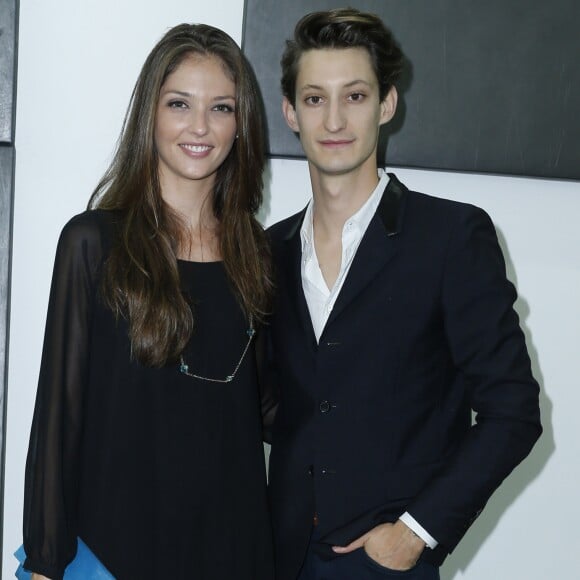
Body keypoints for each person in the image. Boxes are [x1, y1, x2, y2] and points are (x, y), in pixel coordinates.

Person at [265, 8, 542, 580]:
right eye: (315, 98)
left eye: (356, 96)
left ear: (387, 104)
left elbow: (512, 410)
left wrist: (415, 534)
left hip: (386, 565)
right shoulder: (266, 250)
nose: (335, 118)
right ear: (291, 112)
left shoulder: (450, 237)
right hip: (276, 556)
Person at [22, 23, 274, 580]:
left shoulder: (258, 252)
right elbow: (58, 419)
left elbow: (269, 407)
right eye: (180, 103)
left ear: (242, 124)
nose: (200, 127)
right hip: (115, 552)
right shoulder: (92, 242)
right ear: (150, 115)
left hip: (234, 551)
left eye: (222, 108)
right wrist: (44, 563)